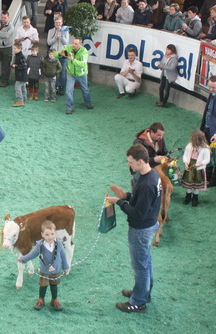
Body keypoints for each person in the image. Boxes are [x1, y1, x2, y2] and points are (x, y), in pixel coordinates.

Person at [105, 144, 162, 313]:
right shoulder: (152, 175)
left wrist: (120, 202)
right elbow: (141, 201)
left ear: (140, 161)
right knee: (146, 262)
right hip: (150, 225)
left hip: (141, 229)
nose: (128, 165)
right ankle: (143, 292)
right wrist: (127, 196)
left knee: (140, 265)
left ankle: (138, 302)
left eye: (130, 162)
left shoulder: (146, 184)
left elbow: (138, 213)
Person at [17, 220, 71, 311]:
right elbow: (33, 254)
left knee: (54, 285)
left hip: (56, 270)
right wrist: (23, 259)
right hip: (45, 270)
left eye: (52, 234)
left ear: (55, 233)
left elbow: (63, 256)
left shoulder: (59, 244)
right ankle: (41, 299)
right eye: (47, 234)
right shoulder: (40, 245)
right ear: (42, 234)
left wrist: (66, 267)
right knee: (43, 285)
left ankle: (54, 299)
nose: (50, 237)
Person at [55, 38, 93, 114]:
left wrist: (73, 60)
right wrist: (60, 54)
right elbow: (56, 54)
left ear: (80, 45)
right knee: (69, 91)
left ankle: (88, 102)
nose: (73, 45)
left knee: (85, 90)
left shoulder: (84, 51)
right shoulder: (69, 48)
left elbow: (83, 64)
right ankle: (69, 107)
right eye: (73, 43)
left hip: (81, 74)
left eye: (76, 44)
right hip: (70, 73)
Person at [182, 130, 211, 206]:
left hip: (199, 169)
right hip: (190, 166)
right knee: (189, 181)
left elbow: (207, 159)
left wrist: (199, 164)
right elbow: (185, 155)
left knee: (197, 183)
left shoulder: (206, 149)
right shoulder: (189, 146)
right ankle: (188, 196)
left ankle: (195, 197)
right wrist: (186, 163)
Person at [0, 11, 14, 87]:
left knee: (6, 66)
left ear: (8, 17)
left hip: (7, 48)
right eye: (2, 17)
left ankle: (5, 81)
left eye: (5, 17)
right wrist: (1, 35)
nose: (3, 19)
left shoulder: (11, 26)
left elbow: (6, 35)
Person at [47, 17, 69, 96]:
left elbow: (66, 43)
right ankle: (55, 88)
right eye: (56, 22)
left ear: (62, 23)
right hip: (54, 53)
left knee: (63, 72)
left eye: (59, 22)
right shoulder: (51, 31)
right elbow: (49, 43)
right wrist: (55, 37)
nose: (58, 24)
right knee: (55, 72)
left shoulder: (66, 31)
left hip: (63, 53)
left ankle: (62, 88)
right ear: (54, 23)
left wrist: (61, 36)